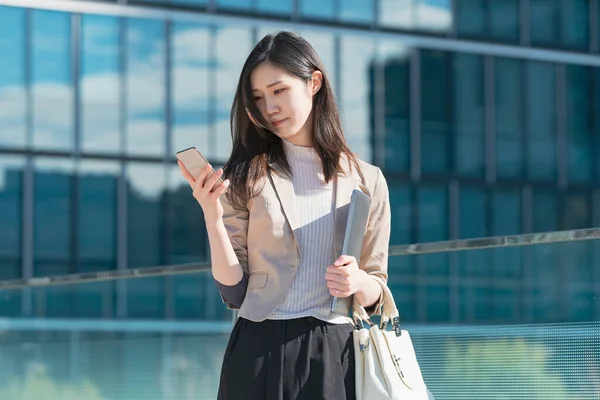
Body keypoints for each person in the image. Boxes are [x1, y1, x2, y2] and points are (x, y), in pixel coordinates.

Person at [178, 31, 391, 400]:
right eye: (258, 98)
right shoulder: (245, 176)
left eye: (279, 91)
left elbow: (377, 287)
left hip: (334, 349)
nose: (269, 107)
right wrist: (212, 216)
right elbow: (235, 289)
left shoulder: (367, 179)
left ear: (314, 83)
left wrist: (357, 281)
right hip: (257, 348)